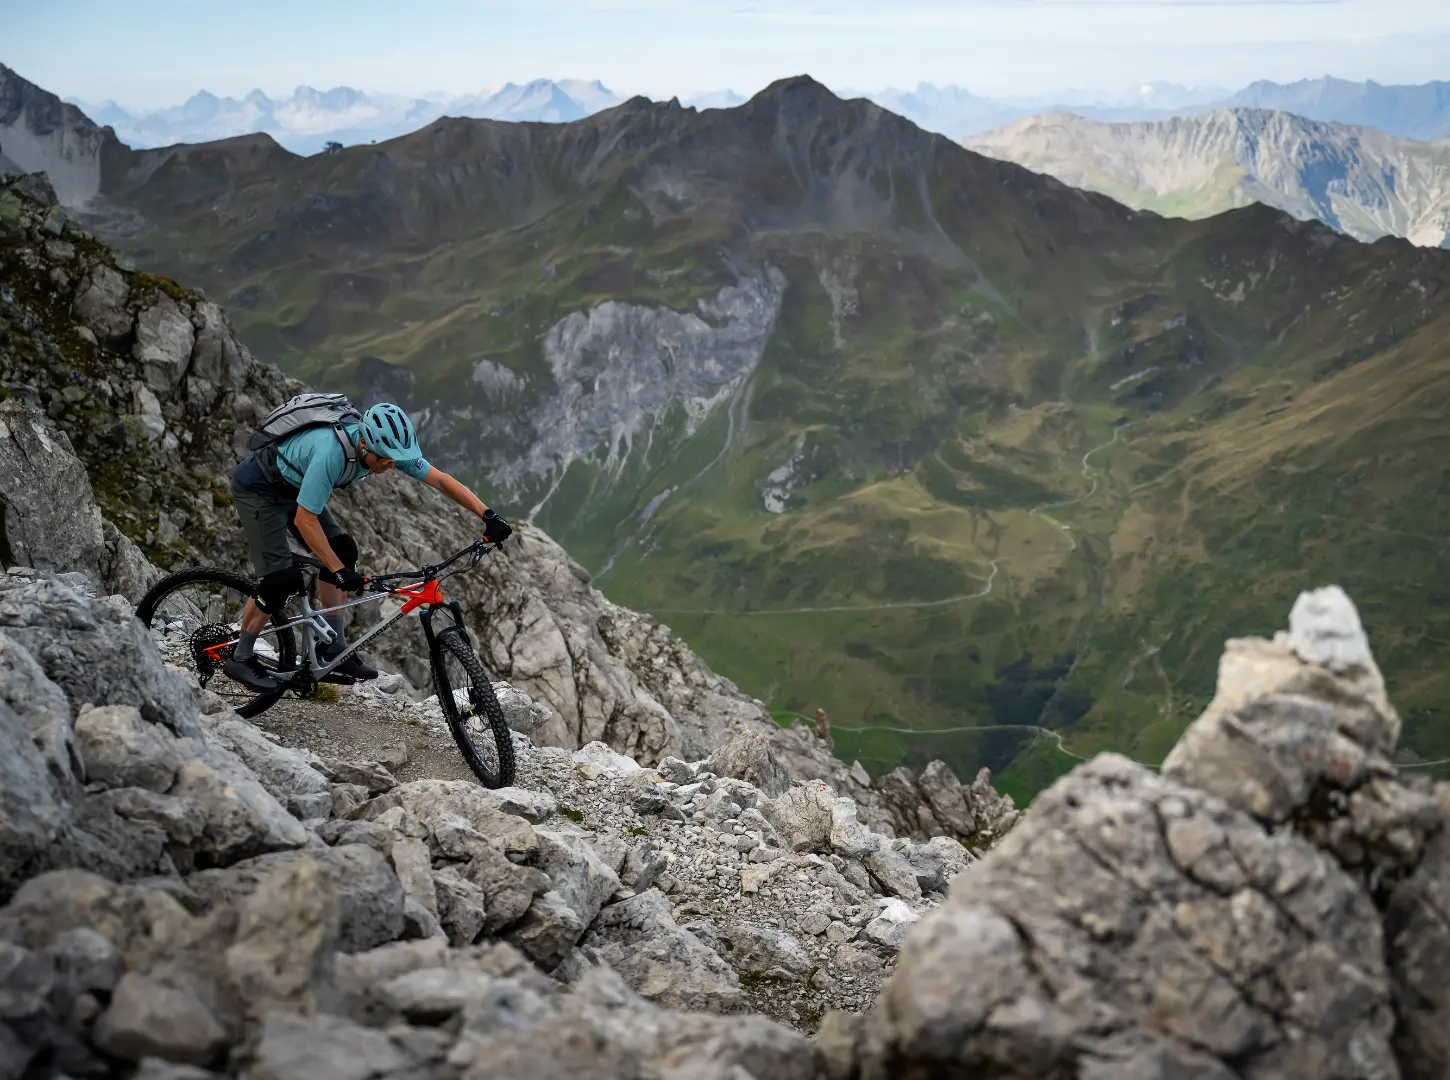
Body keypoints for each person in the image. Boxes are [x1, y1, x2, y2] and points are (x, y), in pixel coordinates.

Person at [224, 400, 511, 692]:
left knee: (344, 551)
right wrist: (337, 570)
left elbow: (440, 480)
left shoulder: (384, 449)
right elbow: (304, 520)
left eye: (392, 462)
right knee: (280, 580)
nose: (388, 467)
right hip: (260, 489)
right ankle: (241, 657)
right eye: (384, 461)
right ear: (365, 444)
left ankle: (333, 648)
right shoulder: (331, 453)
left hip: (296, 486)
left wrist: (487, 515)